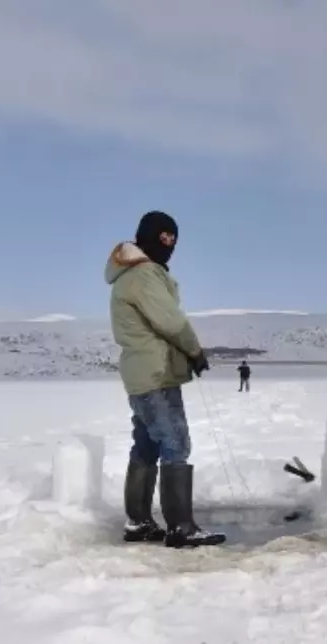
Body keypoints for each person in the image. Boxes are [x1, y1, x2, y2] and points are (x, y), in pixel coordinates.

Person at [105, 210, 226, 549]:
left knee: (147, 444)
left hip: (142, 374)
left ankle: (139, 522)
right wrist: (195, 351)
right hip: (155, 374)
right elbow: (171, 322)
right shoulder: (144, 275)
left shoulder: (132, 275)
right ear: (148, 237)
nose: (170, 244)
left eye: (174, 239)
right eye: (164, 237)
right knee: (175, 442)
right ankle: (180, 527)